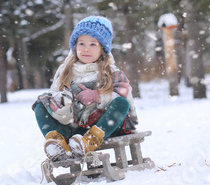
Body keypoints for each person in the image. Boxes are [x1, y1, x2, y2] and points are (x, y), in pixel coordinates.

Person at [32, 16, 138, 161]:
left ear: (102, 48)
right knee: (41, 105)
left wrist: (98, 96)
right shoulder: (66, 71)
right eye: (81, 43)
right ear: (75, 47)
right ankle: (58, 144)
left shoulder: (112, 72)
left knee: (121, 103)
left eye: (93, 44)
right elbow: (54, 92)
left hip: (106, 126)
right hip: (75, 126)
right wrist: (61, 100)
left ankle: (89, 141)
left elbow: (123, 94)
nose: (86, 49)